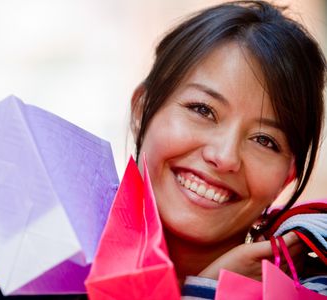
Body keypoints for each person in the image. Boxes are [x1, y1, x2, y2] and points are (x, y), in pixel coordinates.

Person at [130, 0, 326, 298]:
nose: (224, 157)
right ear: (141, 110)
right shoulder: (46, 254)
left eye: (264, 140)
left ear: (287, 176)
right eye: (203, 110)